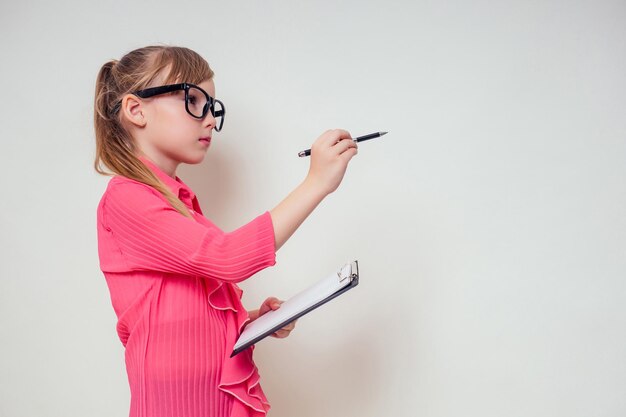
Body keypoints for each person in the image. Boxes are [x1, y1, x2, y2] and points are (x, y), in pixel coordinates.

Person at [93, 45, 357, 417]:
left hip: (206, 395)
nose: (209, 120)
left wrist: (249, 321)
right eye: (194, 100)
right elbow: (227, 258)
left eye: (213, 107)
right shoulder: (127, 199)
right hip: (178, 403)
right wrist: (315, 183)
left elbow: (181, 312)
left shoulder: (177, 202)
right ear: (136, 110)